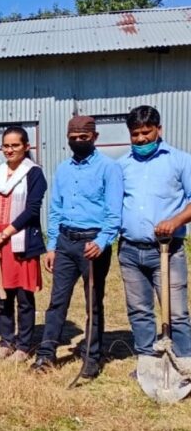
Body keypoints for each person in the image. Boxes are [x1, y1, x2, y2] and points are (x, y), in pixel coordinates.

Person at [31, 117, 123, 378]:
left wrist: (102, 241)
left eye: (84, 137)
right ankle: (46, 354)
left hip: (93, 244)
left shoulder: (109, 168)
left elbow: (114, 212)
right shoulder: (63, 169)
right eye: (73, 137)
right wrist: (51, 246)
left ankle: (92, 357)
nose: (78, 142)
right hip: (65, 243)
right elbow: (56, 209)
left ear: (95, 137)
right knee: (57, 301)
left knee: (93, 302)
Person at [117, 105, 191, 361]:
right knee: (138, 309)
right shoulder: (122, 165)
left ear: (159, 129)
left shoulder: (180, 161)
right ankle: (147, 361)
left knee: (177, 311)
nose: (141, 139)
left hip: (167, 251)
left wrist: (175, 220)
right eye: (135, 134)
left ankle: (184, 363)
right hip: (129, 251)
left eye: (146, 132)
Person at [0, 126, 47, 363]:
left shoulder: (34, 174)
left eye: (15, 145)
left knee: (24, 297)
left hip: (20, 241)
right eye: (6, 145)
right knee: (1, 294)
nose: (10, 150)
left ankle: (24, 345)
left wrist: (4, 234)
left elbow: (31, 209)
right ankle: (6, 340)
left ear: (26, 146)